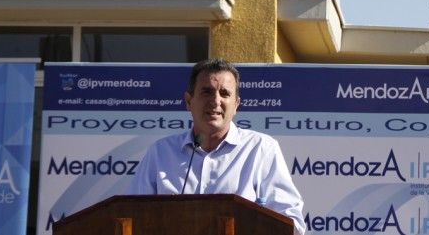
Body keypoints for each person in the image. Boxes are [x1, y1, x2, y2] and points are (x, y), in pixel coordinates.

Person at [128, 58, 306, 235]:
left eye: (225, 93)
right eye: (207, 92)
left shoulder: (261, 149)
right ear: (189, 101)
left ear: (236, 105)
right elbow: (130, 217)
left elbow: (292, 225)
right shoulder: (160, 153)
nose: (215, 100)